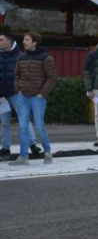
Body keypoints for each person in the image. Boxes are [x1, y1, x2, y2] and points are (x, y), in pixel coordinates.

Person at [9, 32, 57, 166]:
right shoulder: (21, 57)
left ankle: (47, 152)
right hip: (22, 97)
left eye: (27, 40)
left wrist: (42, 93)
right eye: (24, 39)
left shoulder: (46, 57)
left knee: (39, 126)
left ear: (34, 42)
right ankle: (23, 157)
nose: (24, 42)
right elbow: (16, 75)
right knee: (23, 127)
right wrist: (18, 89)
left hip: (38, 98)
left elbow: (52, 77)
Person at [0, 32, 41, 159]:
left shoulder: (20, 55)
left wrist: (21, 89)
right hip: (1, 96)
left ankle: (33, 145)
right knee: (4, 123)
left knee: (24, 119)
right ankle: (5, 148)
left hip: (16, 93)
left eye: (1, 40)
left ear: (9, 41)